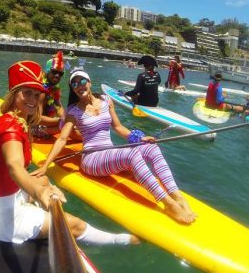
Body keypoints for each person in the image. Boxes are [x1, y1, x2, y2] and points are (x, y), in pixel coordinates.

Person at [0, 60, 140, 246]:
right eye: (27, 93)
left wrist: (40, 183)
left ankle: (38, 211)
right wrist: (39, 192)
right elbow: (14, 166)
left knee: (43, 179)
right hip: (0, 214)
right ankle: (122, 241)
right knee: (76, 225)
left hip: (1, 196)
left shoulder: (18, 121)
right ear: (14, 94)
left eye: (37, 94)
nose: (33, 99)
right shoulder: (11, 128)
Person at [36, 68, 196, 224]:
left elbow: (118, 127)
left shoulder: (106, 101)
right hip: (92, 159)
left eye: (82, 81)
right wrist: (46, 165)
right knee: (131, 155)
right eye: (75, 84)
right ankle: (168, 203)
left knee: (152, 147)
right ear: (73, 89)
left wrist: (140, 137)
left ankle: (177, 196)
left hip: (110, 151)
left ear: (90, 82)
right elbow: (62, 139)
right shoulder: (73, 112)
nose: (79, 86)